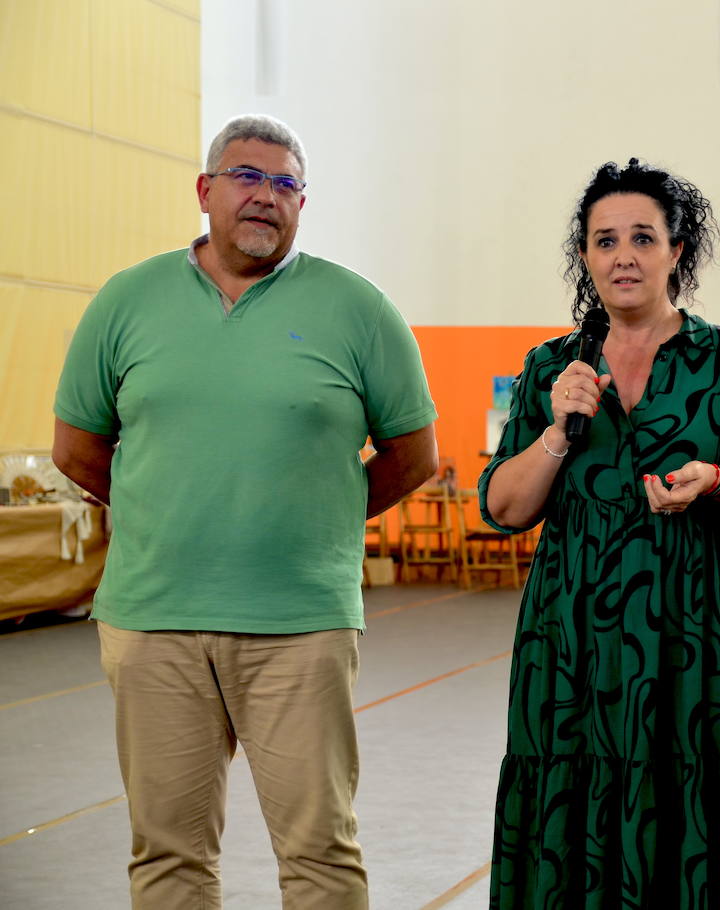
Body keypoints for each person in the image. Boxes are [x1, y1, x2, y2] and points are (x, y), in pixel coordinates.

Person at [52, 114, 438, 909]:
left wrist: (321, 518)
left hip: (301, 625)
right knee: (168, 855)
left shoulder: (358, 308)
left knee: (320, 853)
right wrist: (162, 509)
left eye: (285, 183)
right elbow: (77, 447)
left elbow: (414, 454)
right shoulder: (127, 301)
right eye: (247, 177)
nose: (266, 196)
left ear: (303, 203)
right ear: (205, 190)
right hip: (154, 622)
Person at [480, 159, 720, 909]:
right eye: (605, 241)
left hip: (701, 642)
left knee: (702, 795)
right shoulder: (550, 367)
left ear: (676, 250)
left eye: (642, 237)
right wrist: (556, 434)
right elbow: (504, 507)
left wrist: (718, 480)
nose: (623, 256)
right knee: (568, 795)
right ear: (585, 256)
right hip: (573, 645)